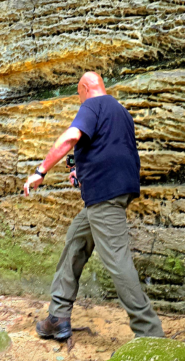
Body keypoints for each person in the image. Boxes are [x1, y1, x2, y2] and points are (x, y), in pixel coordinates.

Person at [23, 71, 165, 341]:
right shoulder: (121, 112)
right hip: (113, 191)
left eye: (79, 96)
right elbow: (114, 151)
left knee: (118, 262)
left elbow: (70, 137)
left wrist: (40, 171)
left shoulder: (92, 105)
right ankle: (58, 316)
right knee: (75, 243)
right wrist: (81, 171)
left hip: (104, 197)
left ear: (84, 88)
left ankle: (150, 334)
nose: (80, 103)